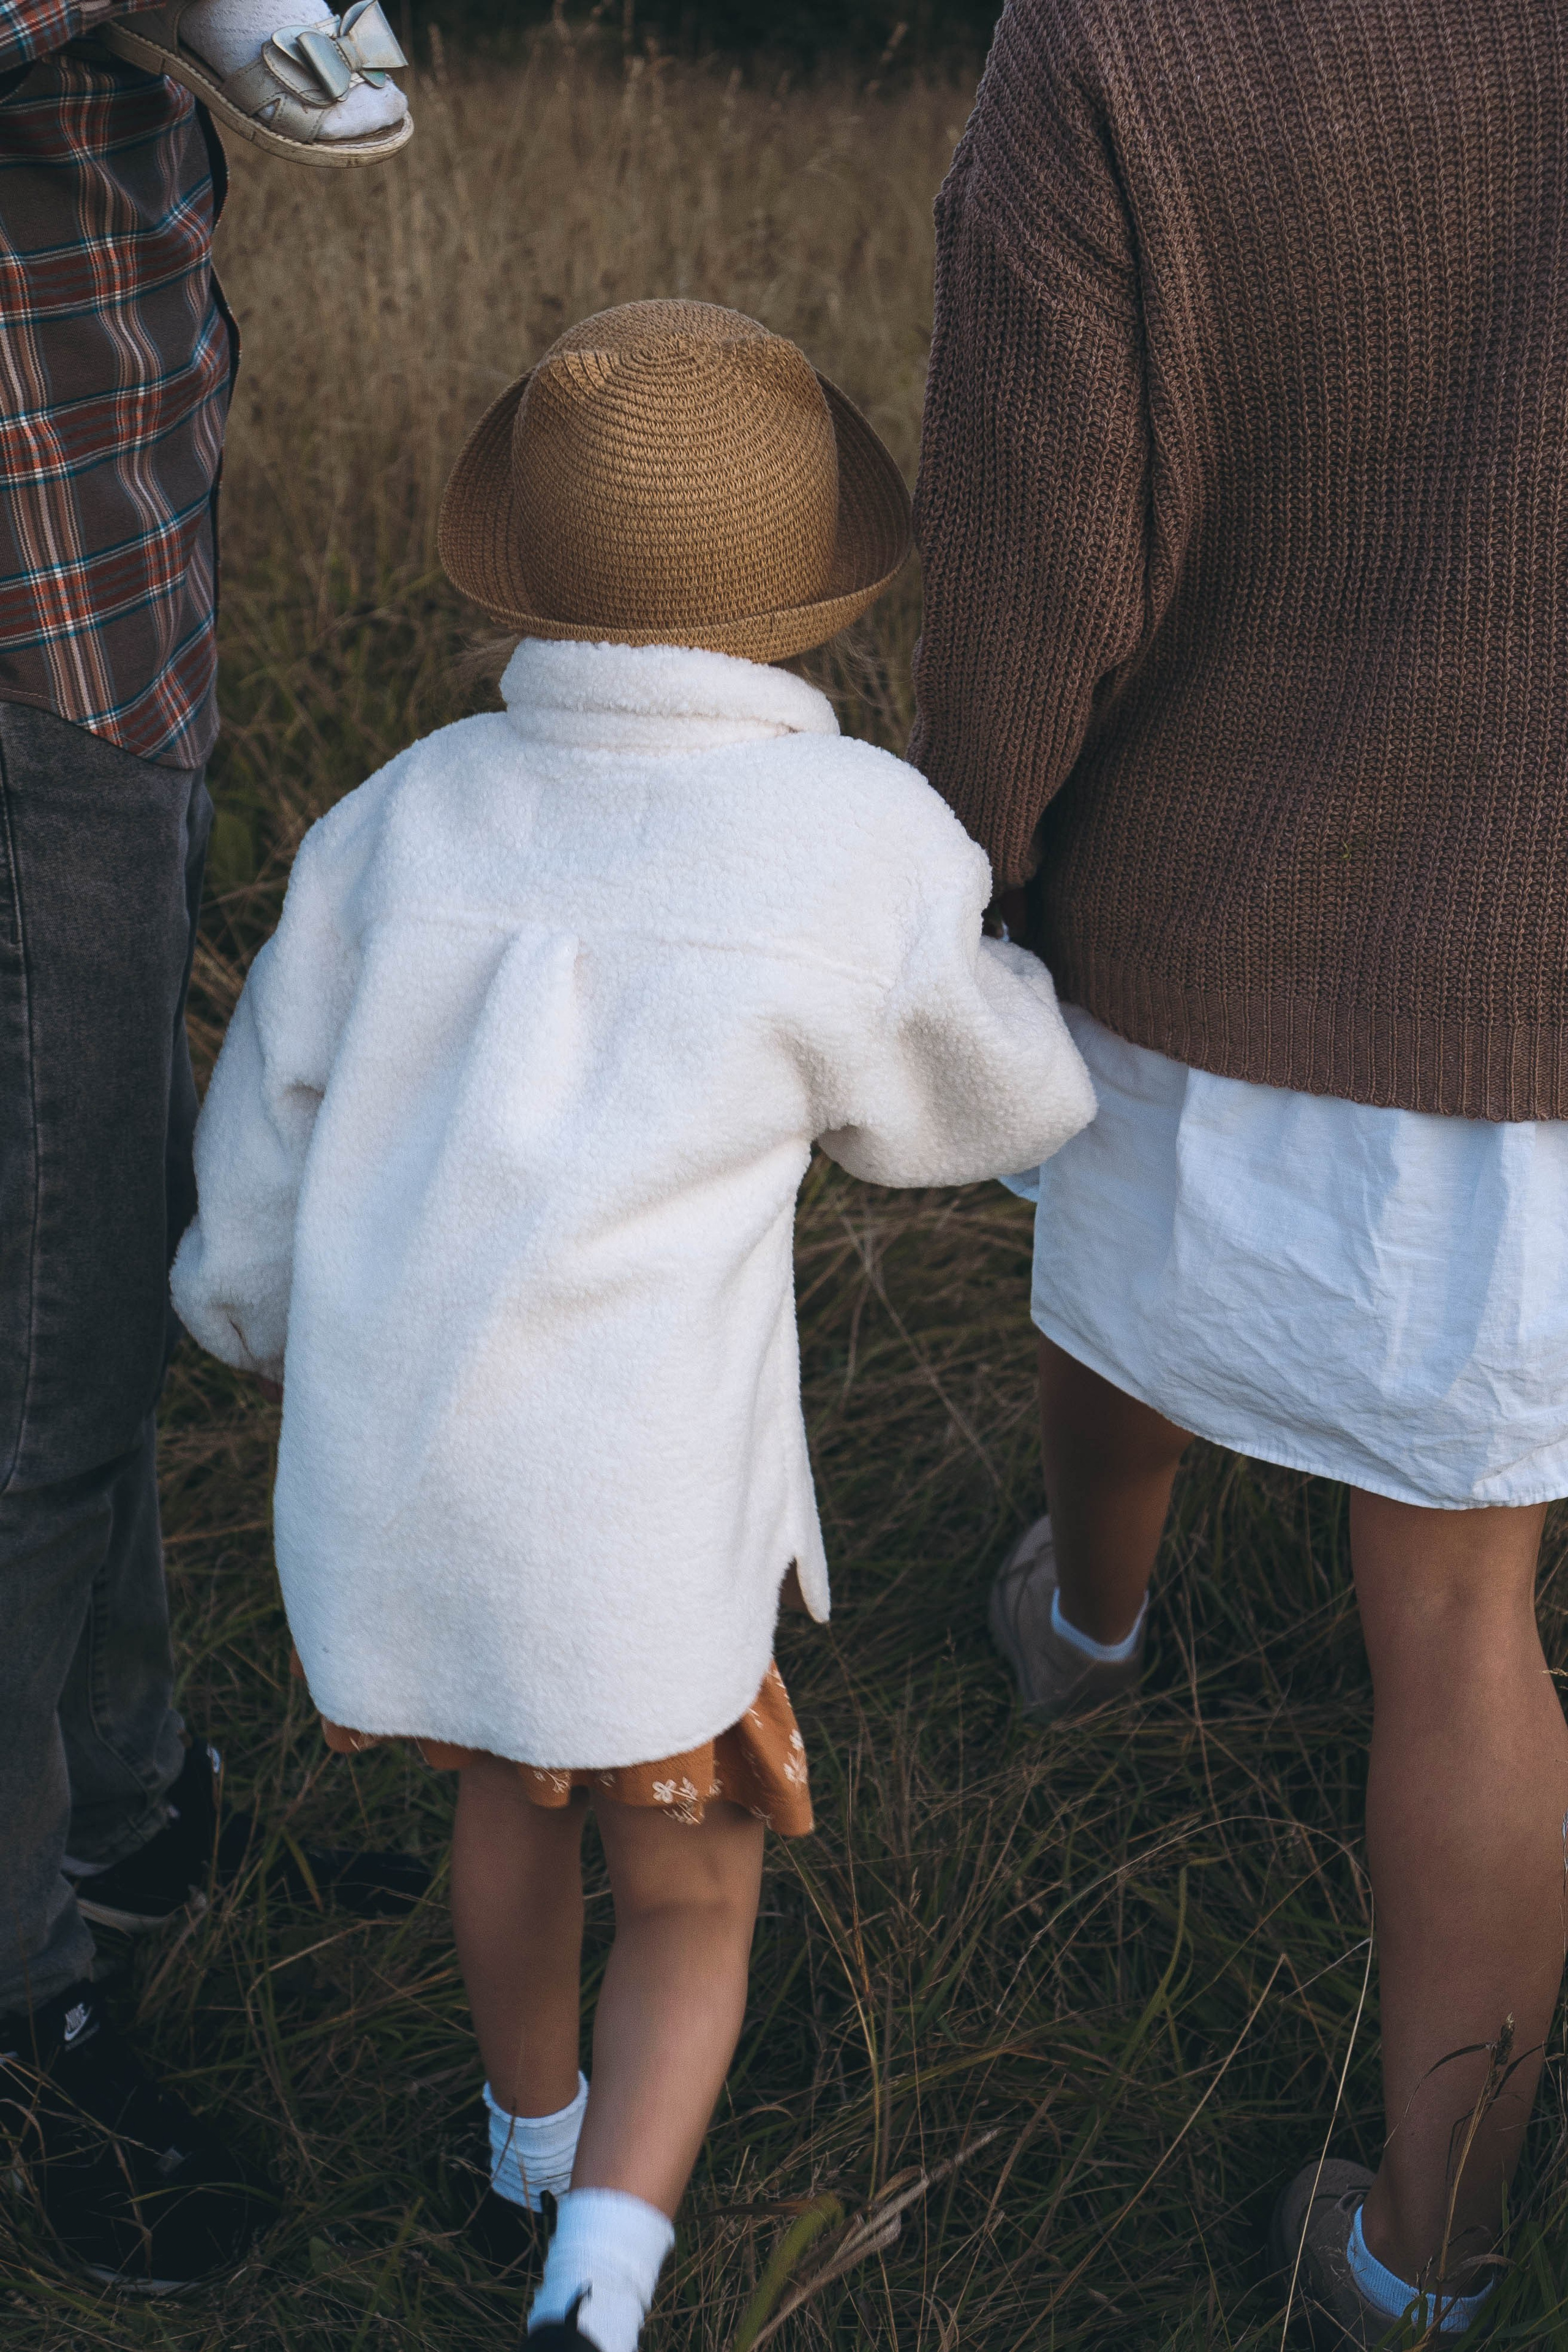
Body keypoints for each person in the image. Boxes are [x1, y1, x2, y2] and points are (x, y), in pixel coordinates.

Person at [168, 298, 1097, 2352]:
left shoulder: (401, 817)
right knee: (686, 1879)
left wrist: (244, 1317)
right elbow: (983, 1108)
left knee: (502, 1799)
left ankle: (526, 2141)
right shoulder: (852, 838)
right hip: (640, 1511)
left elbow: (275, 1128)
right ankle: (604, 2273)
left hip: (413, 1467)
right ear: (812, 595)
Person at [910, 1, 1568, 2343]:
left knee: (1119, 1294)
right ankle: (1425, 2257)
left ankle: (1086, 1636)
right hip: (1542, 965)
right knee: (1464, 1623)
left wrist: (960, 890)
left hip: (1212, 906)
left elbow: (1025, 561)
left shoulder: (1117, 44)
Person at [0, 0, 410, 2296]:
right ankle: (28, 1975)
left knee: (94, 1286)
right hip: (24, 626)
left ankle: (136, 1822)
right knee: (33, 1379)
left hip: (107, 589)